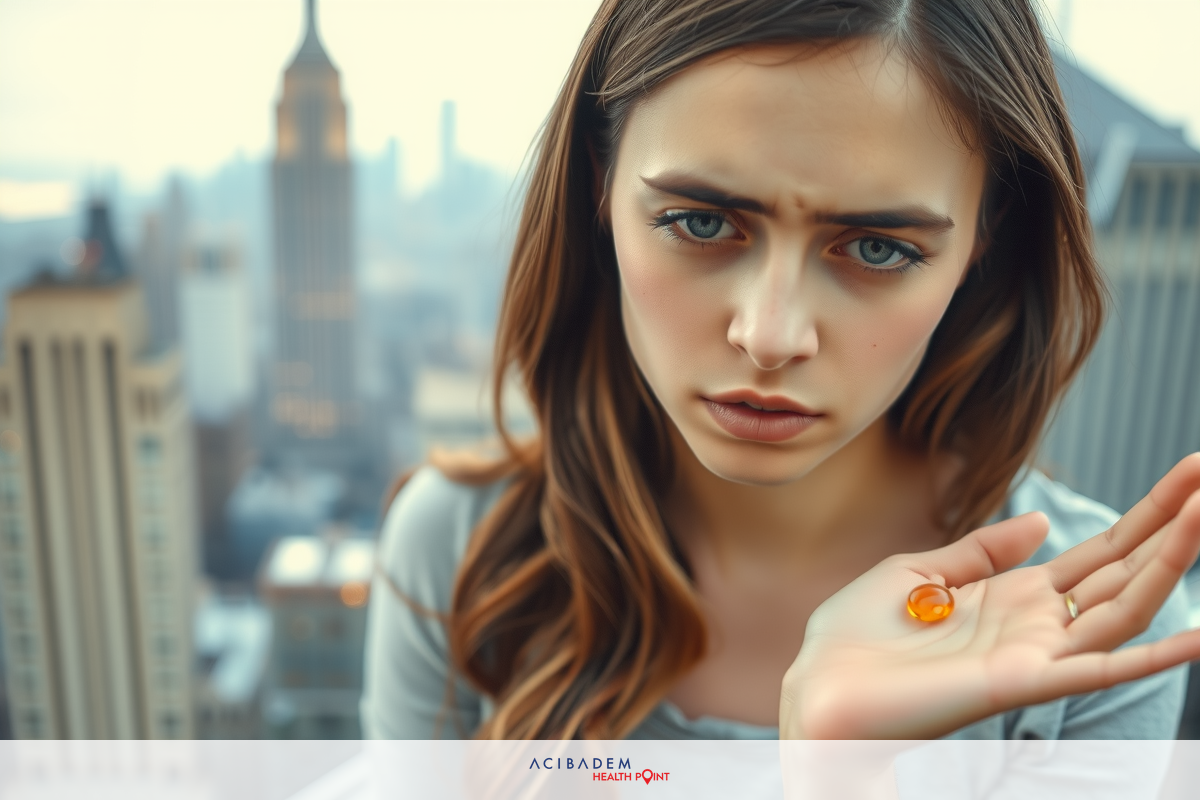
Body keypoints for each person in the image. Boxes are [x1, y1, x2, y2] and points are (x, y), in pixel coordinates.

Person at [361, 0, 1200, 740]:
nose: (769, 335)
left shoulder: (1094, 622)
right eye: (698, 222)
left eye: (876, 248)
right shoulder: (462, 555)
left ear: (983, 238)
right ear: (600, 184)